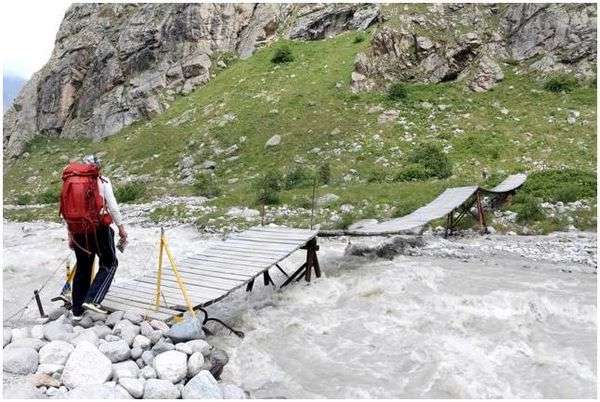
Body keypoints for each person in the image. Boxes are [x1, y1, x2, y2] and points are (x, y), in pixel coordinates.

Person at [66, 154, 127, 319]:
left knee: (83, 267)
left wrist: (70, 234)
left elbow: (67, 211)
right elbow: (112, 206)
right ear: (97, 166)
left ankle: (77, 311)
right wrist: (121, 228)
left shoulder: (69, 181)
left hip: (78, 230)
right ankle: (93, 299)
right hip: (99, 228)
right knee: (110, 263)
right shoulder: (102, 180)